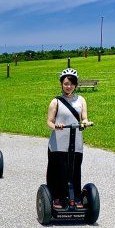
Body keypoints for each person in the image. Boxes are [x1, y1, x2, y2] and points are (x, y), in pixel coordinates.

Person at [46, 68, 91, 208]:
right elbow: (49, 121)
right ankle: (57, 197)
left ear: (75, 85)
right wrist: (55, 126)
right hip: (58, 143)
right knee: (59, 170)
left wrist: (85, 122)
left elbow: (84, 117)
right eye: (66, 83)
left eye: (71, 84)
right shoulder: (55, 102)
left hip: (76, 141)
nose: (68, 86)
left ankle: (76, 198)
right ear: (61, 84)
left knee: (75, 169)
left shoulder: (81, 100)